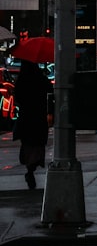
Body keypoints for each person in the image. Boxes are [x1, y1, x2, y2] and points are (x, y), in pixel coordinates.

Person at [12, 59, 53, 190]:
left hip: (26, 117)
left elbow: (17, 97)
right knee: (38, 143)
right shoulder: (41, 79)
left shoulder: (22, 80)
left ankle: (30, 168)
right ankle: (32, 167)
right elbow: (50, 91)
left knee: (28, 144)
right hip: (38, 117)